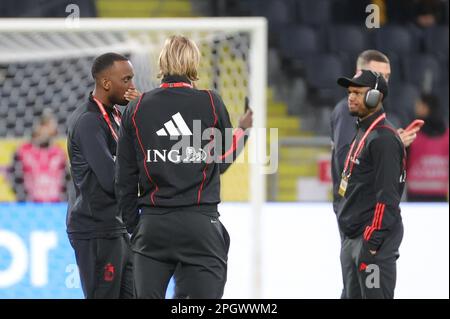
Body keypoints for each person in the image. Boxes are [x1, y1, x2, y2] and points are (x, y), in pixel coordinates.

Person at [115, 35, 253, 299]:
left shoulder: (137, 107)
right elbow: (221, 161)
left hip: (153, 225)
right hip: (199, 225)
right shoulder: (210, 102)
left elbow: (124, 177)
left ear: (162, 63)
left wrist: (136, 226)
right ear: (194, 62)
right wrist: (243, 131)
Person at [330, 49, 418, 298]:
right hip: (354, 234)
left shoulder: (384, 139)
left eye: (358, 93)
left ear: (375, 97)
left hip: (369, 239)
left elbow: (388, 197)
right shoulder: (363, 130)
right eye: (350, 93)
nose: (351, 98)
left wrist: (371, 240)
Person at [66, 52, 140, 298]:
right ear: (106, 83)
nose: (131, 86)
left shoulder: (116, 115)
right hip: (96, 229)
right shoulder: (89, 120)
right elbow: (111, 179)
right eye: (126, 79)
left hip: (116, 228)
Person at [9, 109, 68, 202]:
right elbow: (14, 178)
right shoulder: (22, 151)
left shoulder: (59, 153)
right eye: (44, 125)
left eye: (49, 125)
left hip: (57, 205)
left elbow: (67, 180)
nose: (47, 130)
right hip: (31, 205)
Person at [407, 93, 449, 201]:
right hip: (440, 191)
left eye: (418, 105)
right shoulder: (447, 134)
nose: (415, 108)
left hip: (416, 192)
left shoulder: (412, 133)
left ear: (425, 107)